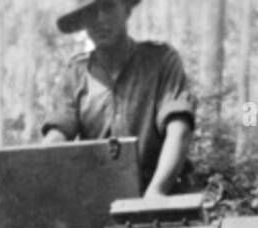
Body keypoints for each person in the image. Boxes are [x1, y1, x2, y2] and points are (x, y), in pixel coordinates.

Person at [42, 0, 196, 197]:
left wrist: (156, 193)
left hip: (162, 193)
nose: (100, 19)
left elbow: (179, 131)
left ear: (126, 10)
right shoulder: (76, 74)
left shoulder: (161, 61)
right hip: (100, 199)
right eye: (90, 12)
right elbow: (58, 134)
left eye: (108, 7)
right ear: (82, 23)